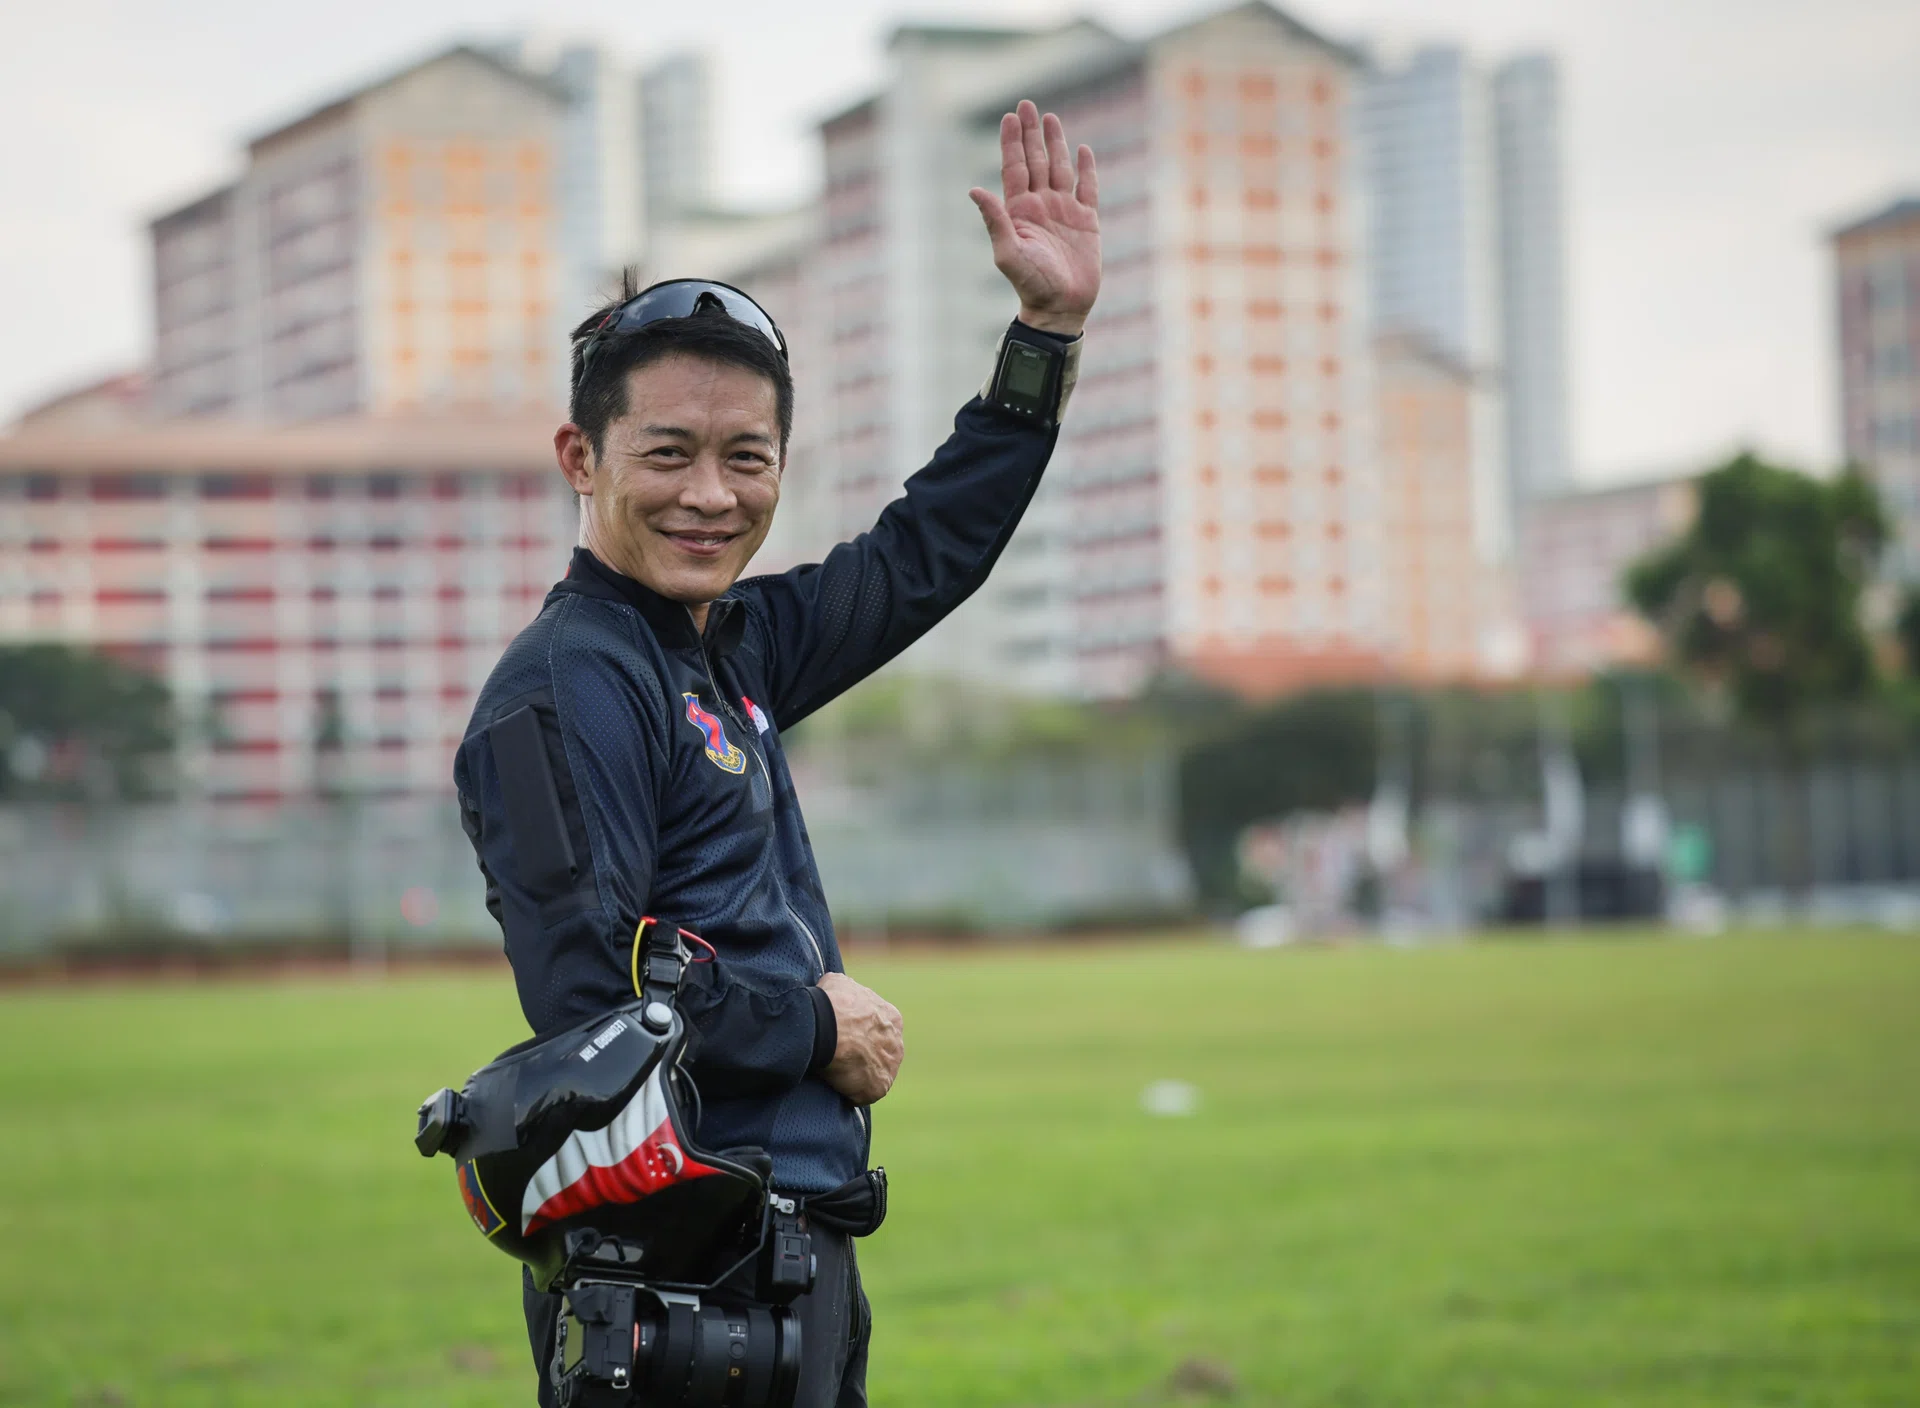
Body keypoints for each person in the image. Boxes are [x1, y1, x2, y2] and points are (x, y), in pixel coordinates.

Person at [453, 99, 1101, 1406]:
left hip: (782, 1252)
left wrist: (1046, 336)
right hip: (674, 1269)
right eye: (669, 453)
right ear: (582, 457)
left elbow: (922, 555)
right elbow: (589, 998)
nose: (711, 493)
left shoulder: (726, 648)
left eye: (746, 457)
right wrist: (811, 1025)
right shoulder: (565, 689)